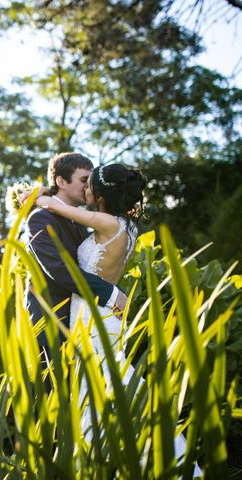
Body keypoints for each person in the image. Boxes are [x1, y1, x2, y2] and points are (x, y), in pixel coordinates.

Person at [34, 163, 201, 475]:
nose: (84, 190)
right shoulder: (126, 227)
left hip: (93, 317)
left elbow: (49, 204)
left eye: (88, 186)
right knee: (107, 383)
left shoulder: (104, 223)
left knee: (102, 386)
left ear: (98, 196)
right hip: (105, 316)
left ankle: (119, 455)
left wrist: (37, 195)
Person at [22, 153, 127, 352]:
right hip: (51, 326)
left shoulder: (80, 223)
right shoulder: (40, 218)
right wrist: (111, 294)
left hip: (81, 325)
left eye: (90, 181)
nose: (89, 187)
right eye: (83, 180)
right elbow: (59, 269)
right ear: (61, 181)